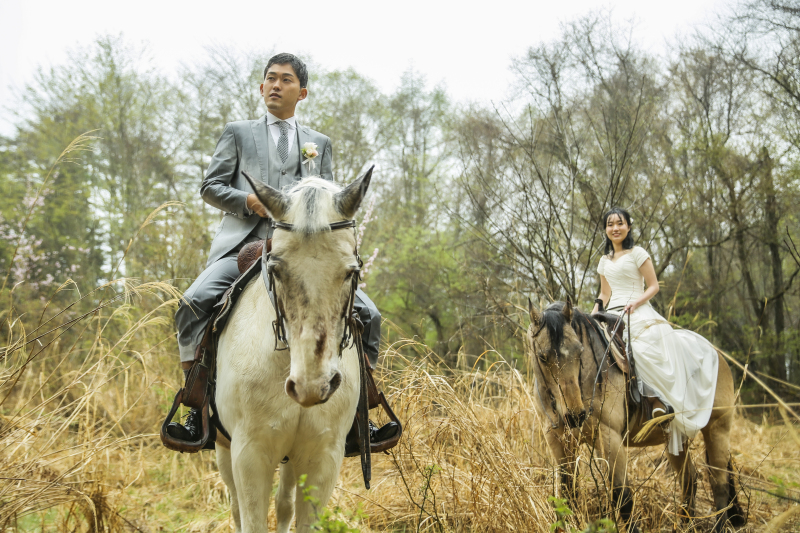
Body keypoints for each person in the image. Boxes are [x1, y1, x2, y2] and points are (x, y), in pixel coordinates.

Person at [167, 53, 395, 452]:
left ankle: (363, 412)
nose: (275, 85)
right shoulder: (238, 133)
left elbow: (325, 199)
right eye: (269, 79)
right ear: (261, 88)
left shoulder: (318, 144)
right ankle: (194, 404)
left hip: (302, 252)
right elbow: (209, 186)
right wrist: (247, 202)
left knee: (370, 316)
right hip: (243, 247)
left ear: (301, 92)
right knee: (192, 302)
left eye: (285, 80)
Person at [591, 207, 719, 455]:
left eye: (620, 223)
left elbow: (653, 286)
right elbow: (605, 293)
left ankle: (656, 400)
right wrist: (596, 308)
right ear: (605, 229)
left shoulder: (637, 253)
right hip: (611, 314)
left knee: (641, 345)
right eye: (610, 224)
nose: (615, 228)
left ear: (628, 226)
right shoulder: (604, 261)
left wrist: (636, 303)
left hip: (637, 310)